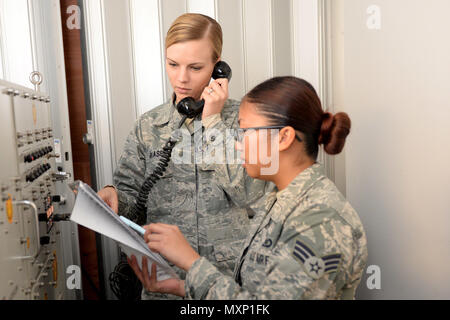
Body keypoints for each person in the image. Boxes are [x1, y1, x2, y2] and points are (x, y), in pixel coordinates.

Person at [129, 76, 368, 299]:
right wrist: (182, 287)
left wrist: (191, 263)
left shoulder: (321, 222)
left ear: (283, 138)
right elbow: (253, 292)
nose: (237, 143)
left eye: (245, 132)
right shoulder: (278, 200)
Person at [97, 13, 268, 299]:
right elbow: (131, 199)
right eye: (172, 64)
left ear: (218, 67)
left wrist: (213, 123)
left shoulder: (245, 120)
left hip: (228, 286)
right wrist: (113, 196)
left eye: (196, 67)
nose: (182, 78)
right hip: (164, 283)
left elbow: (251, 194)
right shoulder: (148, 126)